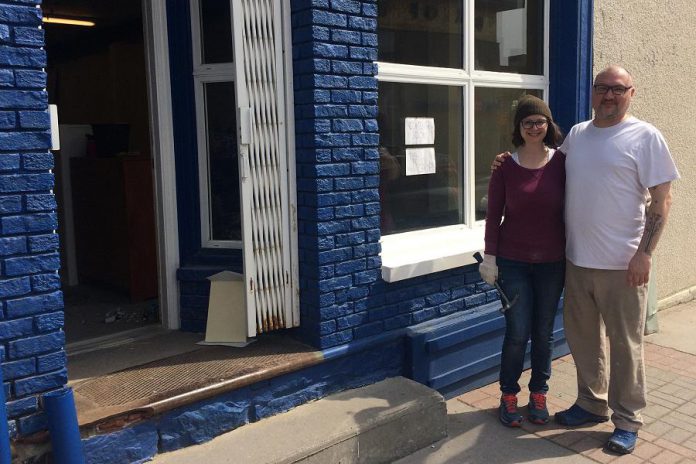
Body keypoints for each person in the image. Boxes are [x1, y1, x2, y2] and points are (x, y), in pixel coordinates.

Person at [494, 65, 680, 454]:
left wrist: (645, 254)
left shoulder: (645, 137)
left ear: (631, 92)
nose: (608, 96)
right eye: (601, 88)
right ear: (592, 93)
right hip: (575, 262)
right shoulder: (577, 136)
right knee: (583, 340)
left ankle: (627, 418)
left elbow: (662, 200)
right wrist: (506, 162)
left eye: (617, 89)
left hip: (623, 265)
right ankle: (591, 402)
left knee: (625, 346)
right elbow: (540, 165)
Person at [479, 95, 566, 427]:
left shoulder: (563, 162)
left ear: (549, 125)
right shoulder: (505, 166)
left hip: (552, 262)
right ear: (519, 127)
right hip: (513, 262)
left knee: (543, 333)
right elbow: (493, 216)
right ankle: (508, 395)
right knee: (517, 332)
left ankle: (539, 394)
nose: (534, 127)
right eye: (527, 122)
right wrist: (490, 258)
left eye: (540, 121)